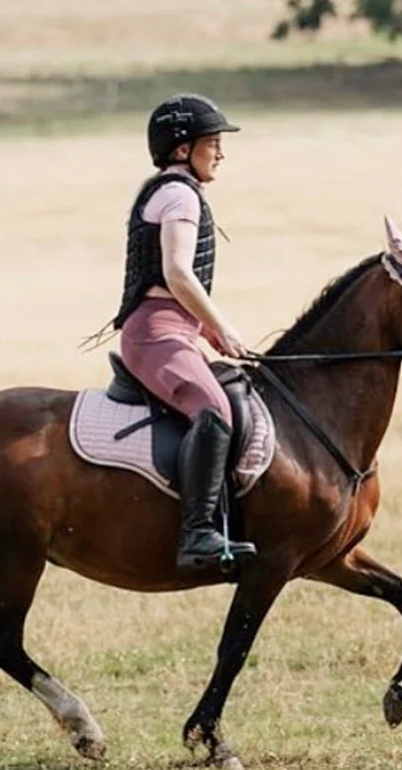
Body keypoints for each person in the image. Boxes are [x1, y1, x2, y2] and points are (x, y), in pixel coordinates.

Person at [112, 94, 257, 571]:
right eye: (211, 143)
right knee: (213, 410)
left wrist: (205, 331)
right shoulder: (178, 194)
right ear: (181, 150)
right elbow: (177, 272)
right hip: (154, 334)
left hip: (172, 328)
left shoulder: (174, 189)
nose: (220, 153)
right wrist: (220, 324)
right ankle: (197, 533)